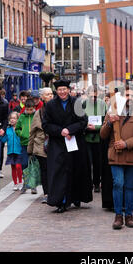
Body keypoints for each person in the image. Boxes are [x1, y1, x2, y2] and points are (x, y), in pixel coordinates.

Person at [100, 85, 133, 230]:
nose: (130, 98)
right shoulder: (112, 112)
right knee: (118, 183)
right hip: (116, 155)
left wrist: (126, 144)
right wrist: (109, 122)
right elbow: (103, 135)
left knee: (129, 186)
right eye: (127, 95)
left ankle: (129, 215)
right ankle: (118, 216)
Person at [42, 79, 92, 213]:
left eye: (64, 89)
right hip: (58, 143)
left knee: (76, 169)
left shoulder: (76, 102)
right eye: (59, 90)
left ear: (69, 90)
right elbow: (46, 125)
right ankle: (62, 200)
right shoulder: (51, 105)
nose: (62, 92)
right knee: (59, 172)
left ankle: (76, 197)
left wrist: (70, 130)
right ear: (56, 91)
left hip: (75, 141)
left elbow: (83, 121)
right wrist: (61, 131)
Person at [28, 87, 54, 203]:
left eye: (51, 94)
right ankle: (47, 193)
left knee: (54, 170)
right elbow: (32, 131)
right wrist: (30, 149)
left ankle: (54, 192)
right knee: (45, 170)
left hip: (55, 143)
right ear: (42, 97)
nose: (50, 96)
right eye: (47, 94)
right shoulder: (39, 113)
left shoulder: (57, 109)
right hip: (41, 145)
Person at [84, 86, 107, 193]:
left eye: (95, 95)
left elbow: (106, 121)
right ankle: (88, 183)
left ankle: (97, 183)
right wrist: (85, 126)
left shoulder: (102, 104)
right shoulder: (83, 104)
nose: (93, 97)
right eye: (90, 95)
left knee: (98, 162)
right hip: (86, 138)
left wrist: (97, 127)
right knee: (87, 162)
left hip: (99, 138)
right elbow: (79, 119)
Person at [16, 98, 37, 194]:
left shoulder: (36, 116)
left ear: (34, 108)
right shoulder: (22, 117)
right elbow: (17, 128)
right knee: (24, 164)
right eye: (27, 109)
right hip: (24, 144)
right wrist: (21, 134)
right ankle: (25, 183)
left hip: (34, 144)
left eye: (31, 109)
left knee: (33, 164)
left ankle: (33, 185)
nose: (29, 111)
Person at [0, 112, 23, 191]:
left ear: (18, 119)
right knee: (13, 168)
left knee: (18, 166)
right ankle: (15, 183)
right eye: (11, 118)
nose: (12, 120)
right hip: (10, 152)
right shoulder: (8, 130)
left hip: (19, 151)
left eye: (14, 118)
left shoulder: (20, 129)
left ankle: (20, 181)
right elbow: (4, 140)